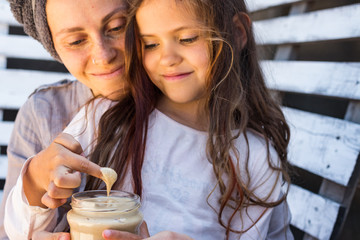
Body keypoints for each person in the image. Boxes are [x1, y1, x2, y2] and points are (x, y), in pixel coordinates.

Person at [3, 0, 294, 239]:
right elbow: (17, 229)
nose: (167, 58)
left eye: (117, 28)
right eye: (150, 44)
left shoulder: (254, 157)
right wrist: (34, 179)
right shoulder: (102, 114)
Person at [0, 0, 128, 238]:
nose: (103, 55)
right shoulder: (42, 113)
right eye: (76, 41)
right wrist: (33, 183)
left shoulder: (183, 110)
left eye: (117, 27)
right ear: (54, 48)